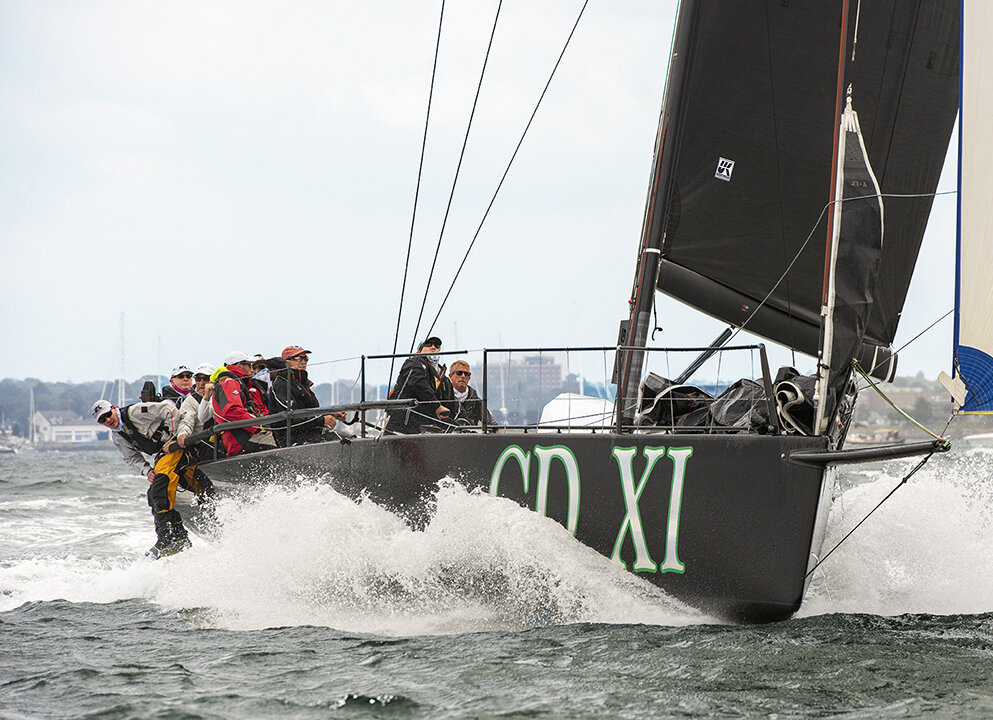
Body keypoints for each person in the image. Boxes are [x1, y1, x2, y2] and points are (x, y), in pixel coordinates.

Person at [91, 398, 200, 558]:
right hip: (164, 454)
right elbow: (131, 458)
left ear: (114, 408)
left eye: (108, 414)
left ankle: (167, 538)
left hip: (176, 446)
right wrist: (146, 470)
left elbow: (168, 409)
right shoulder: (118, 437)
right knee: (153, 494)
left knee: (159, 489)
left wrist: (174, 436)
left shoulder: (135, 412)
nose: (108, 420)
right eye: (102, 419)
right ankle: (178, 536)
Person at [268, 345, 343, 447]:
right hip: (291, 440)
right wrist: (321, 420)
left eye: (305, 358)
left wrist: (329, 414)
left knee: (350, 439)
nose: (303, 362)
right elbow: (290, 419)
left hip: (310, 433)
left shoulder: (302, 383)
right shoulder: (281, 384)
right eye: (298, 358)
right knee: (342, 443)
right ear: (286, 362)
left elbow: (311, 411)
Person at [385, 336, 453, 434]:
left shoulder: (442, 376)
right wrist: (437, 406)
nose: (433, 347)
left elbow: (450, 400)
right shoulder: (413, 363)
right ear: (419, 350)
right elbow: (418, 384)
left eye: (437, 346)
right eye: (428, 344)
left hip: (426, 426)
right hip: (403, 425)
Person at [212, 350, 273, 457]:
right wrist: (257, 425)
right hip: (239, 439)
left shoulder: (237, 383)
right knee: (277, 447)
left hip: (244, 436)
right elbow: (232, 411)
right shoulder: (229, 382)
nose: (252, 369)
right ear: (239, 365)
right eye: (249, 365)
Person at [447, 360, 495, 427]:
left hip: (471, 436)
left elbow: (491, 424)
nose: (463, 376)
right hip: (447, 436)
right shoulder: (444, 397)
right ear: (450, 376)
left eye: (466, 374)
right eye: (459, 373)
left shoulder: (476, 401)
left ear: (469, 378)